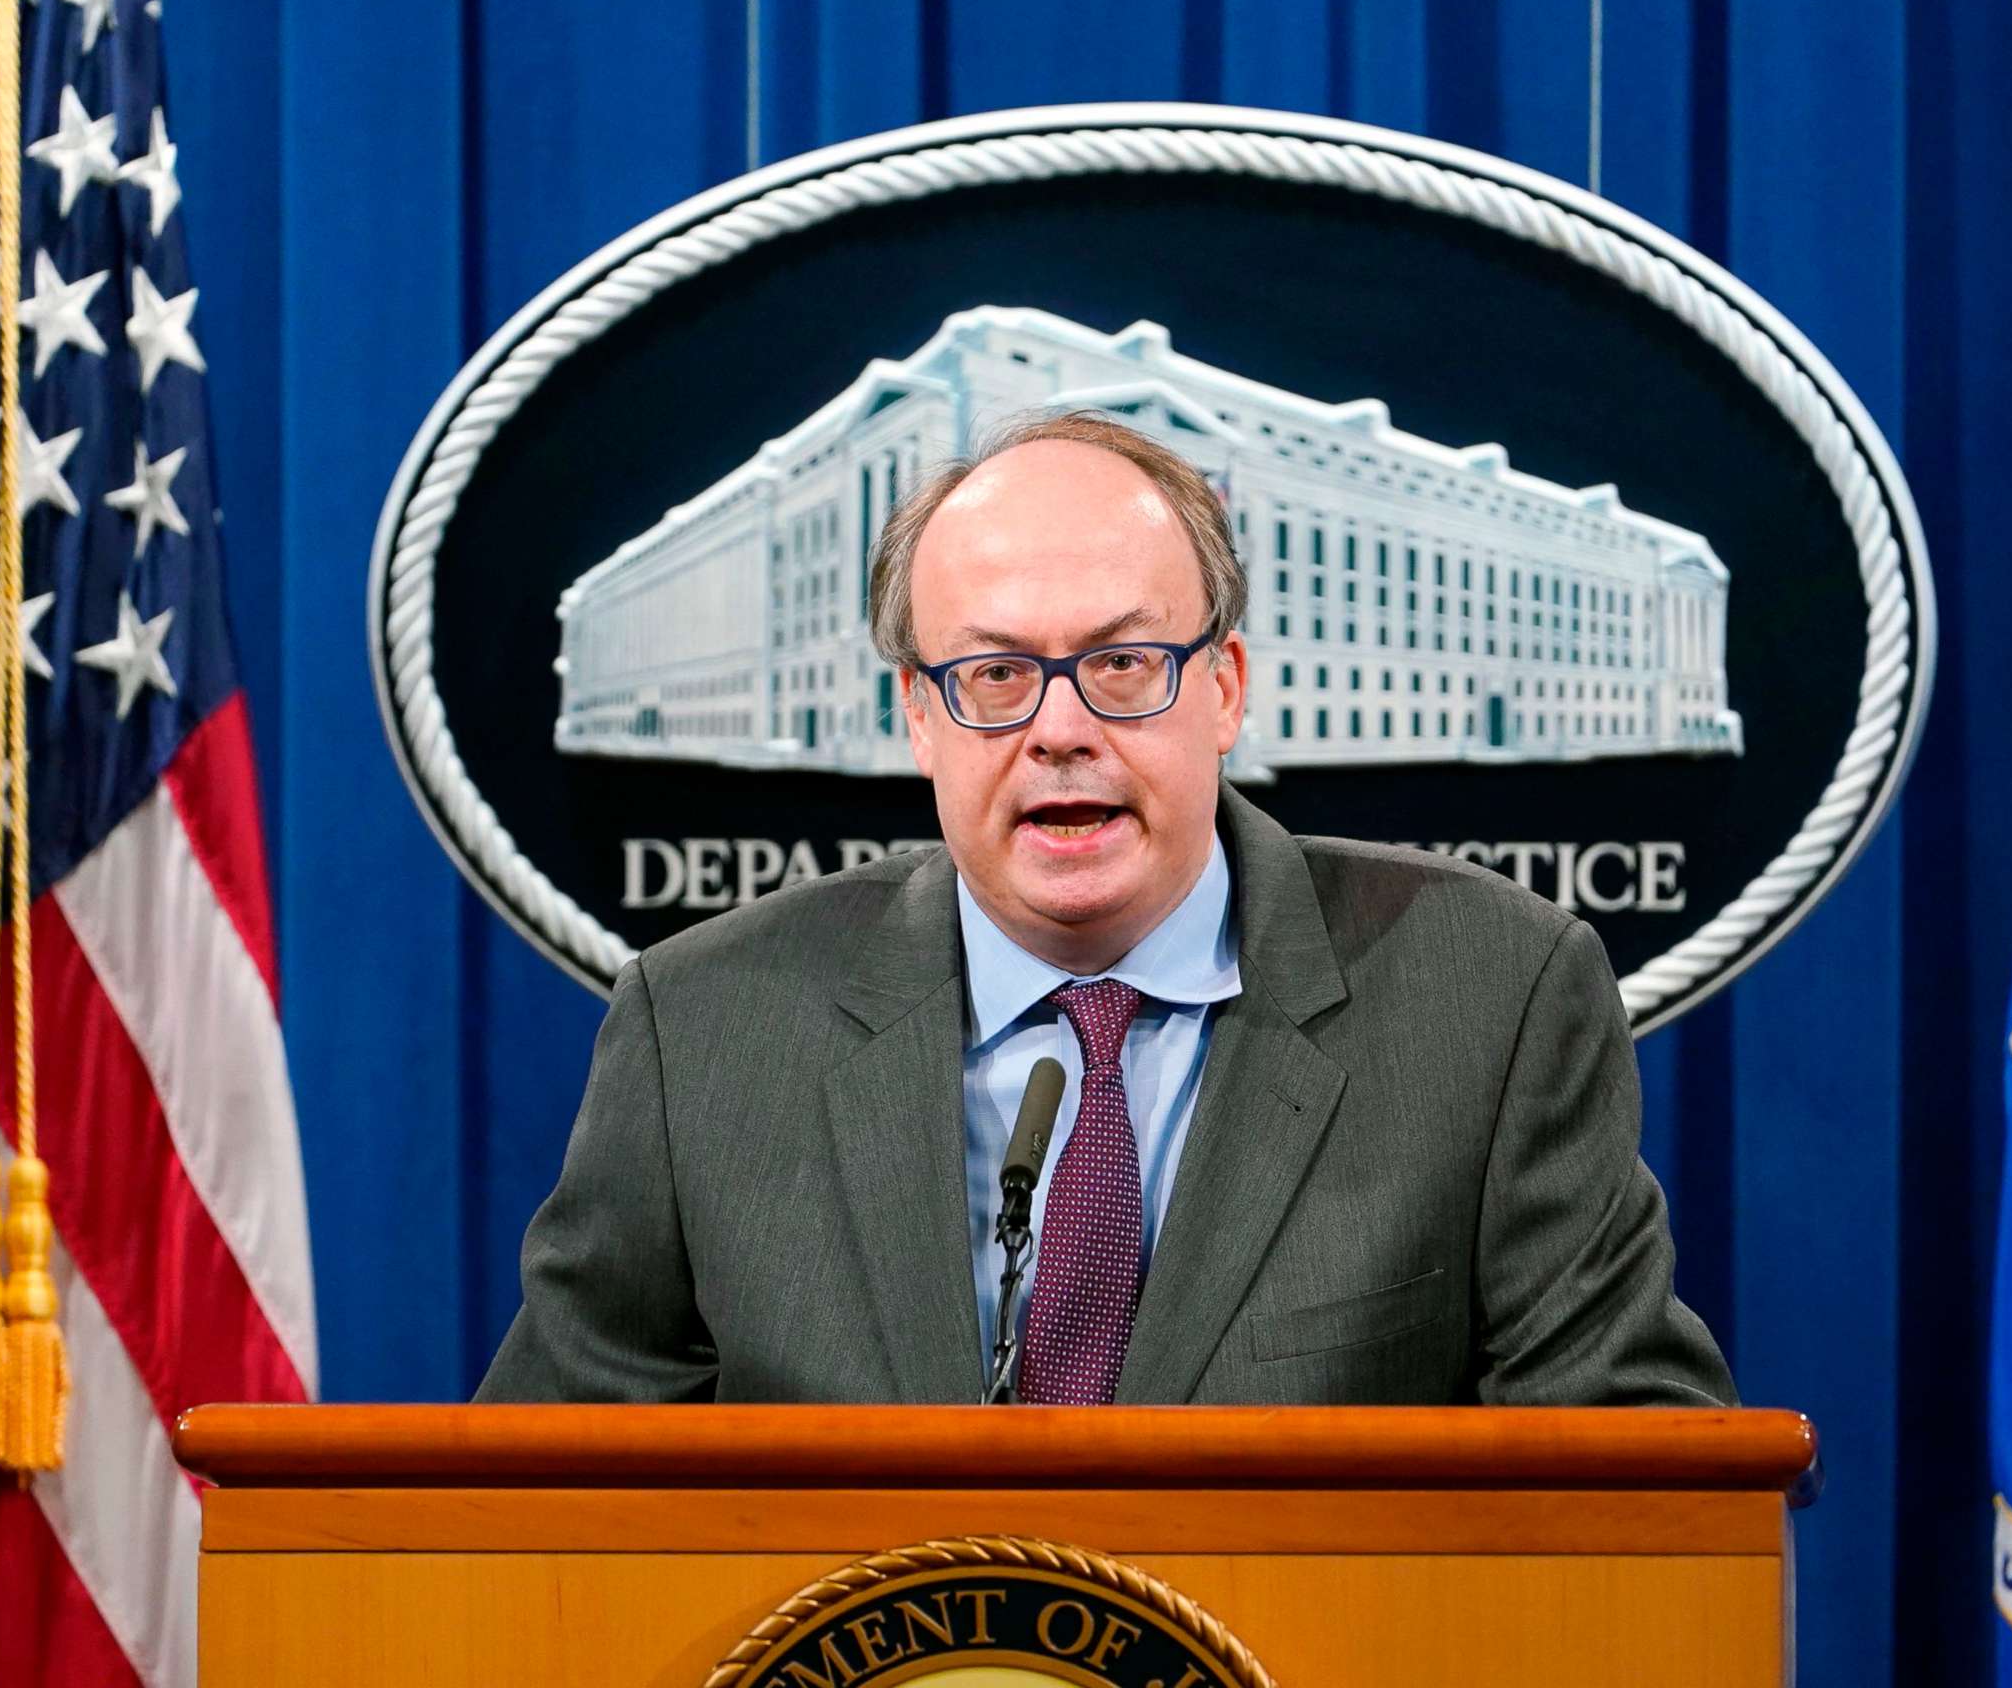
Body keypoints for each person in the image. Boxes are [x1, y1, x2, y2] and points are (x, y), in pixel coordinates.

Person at [477, 411, 1734, 1406]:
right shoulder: (703, 1030)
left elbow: (1631, 1492)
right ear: (920, 716)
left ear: (1225, 690)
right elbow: (541, 1515)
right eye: (994, 675)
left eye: (1124, 665)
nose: (1060, 731)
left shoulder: (1488, 998)